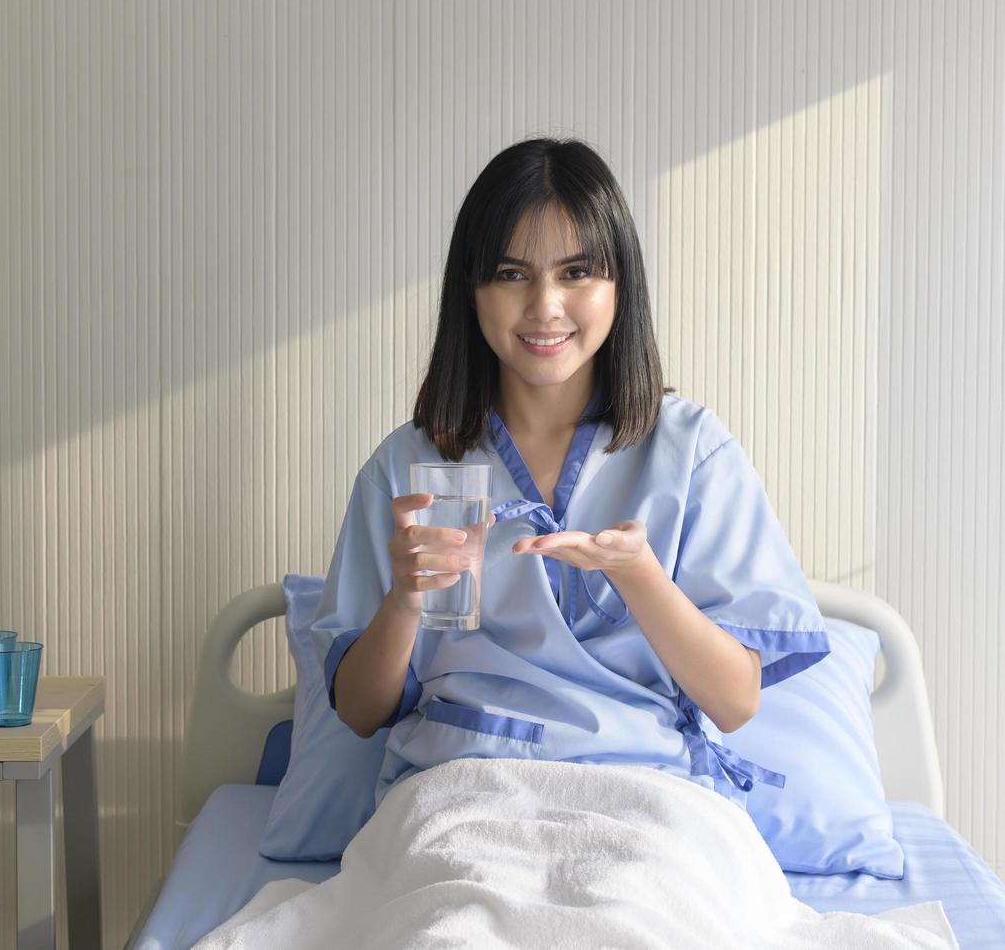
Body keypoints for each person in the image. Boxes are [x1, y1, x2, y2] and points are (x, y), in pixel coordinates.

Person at [309, 137, 831, 810]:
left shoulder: (693, 451)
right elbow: (357, 713)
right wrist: (405, 598)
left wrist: (638, 575)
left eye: (576, 273)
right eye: (510, 273)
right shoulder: (407, 466)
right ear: (471, 291)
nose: (545, 306)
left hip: (646, 794)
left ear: (619, 286)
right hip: (461, 793)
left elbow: (733, 703)